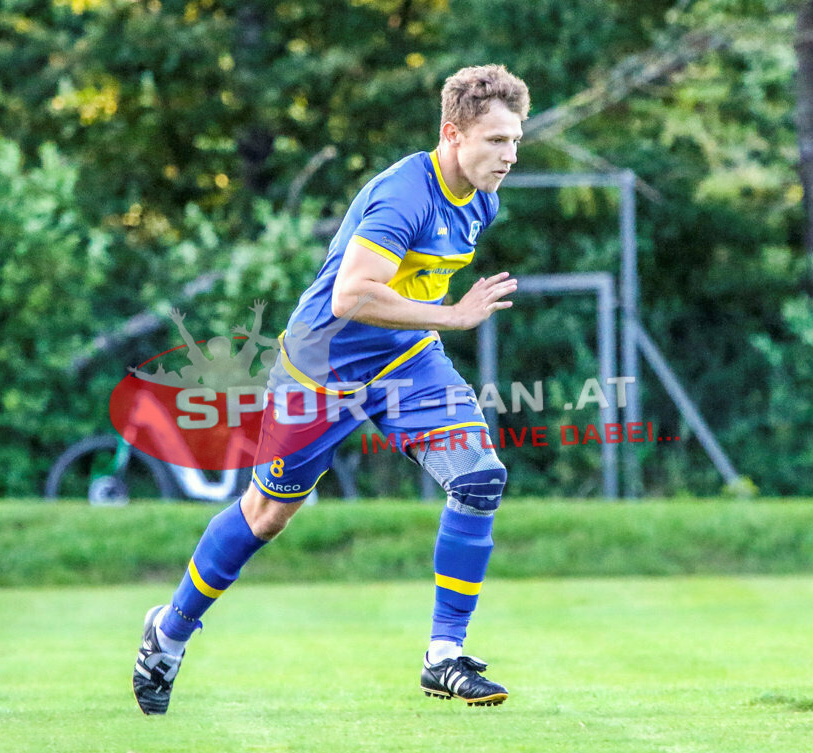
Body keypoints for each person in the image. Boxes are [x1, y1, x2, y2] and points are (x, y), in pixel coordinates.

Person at [133, 63, 530, 714]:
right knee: (267, 514)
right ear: (452, 133)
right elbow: (351, 296)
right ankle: (169, 631)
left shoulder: (483, 198)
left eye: (516, 141)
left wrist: (433, 325)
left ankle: (444, 656)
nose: (509, 156)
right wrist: (454, 315)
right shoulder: (406, 195)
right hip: (320, 369)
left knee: (479, 477)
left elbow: (412, 288)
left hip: (404, 362)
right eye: (497, 141)